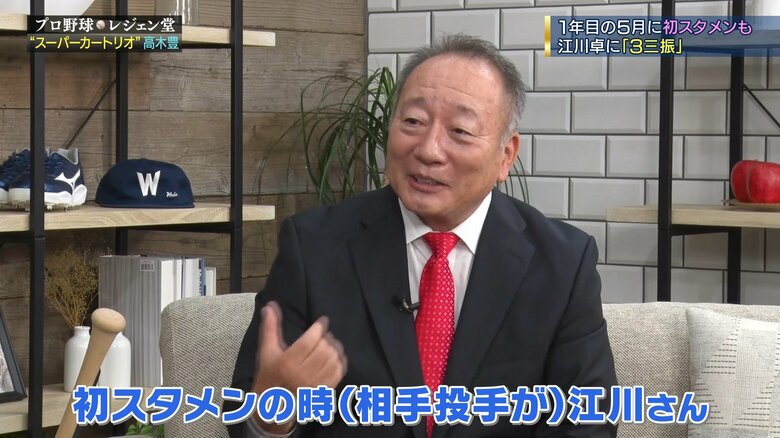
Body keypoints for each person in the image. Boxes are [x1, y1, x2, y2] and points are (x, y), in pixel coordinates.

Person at [227, 34, 618, 438]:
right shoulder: (313, 247)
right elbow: (244, 420)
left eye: (460, 131)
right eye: (412, 122)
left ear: (505, 156)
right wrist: (272, 416)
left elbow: (588, 423)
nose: (429, 150)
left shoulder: (563, 263)